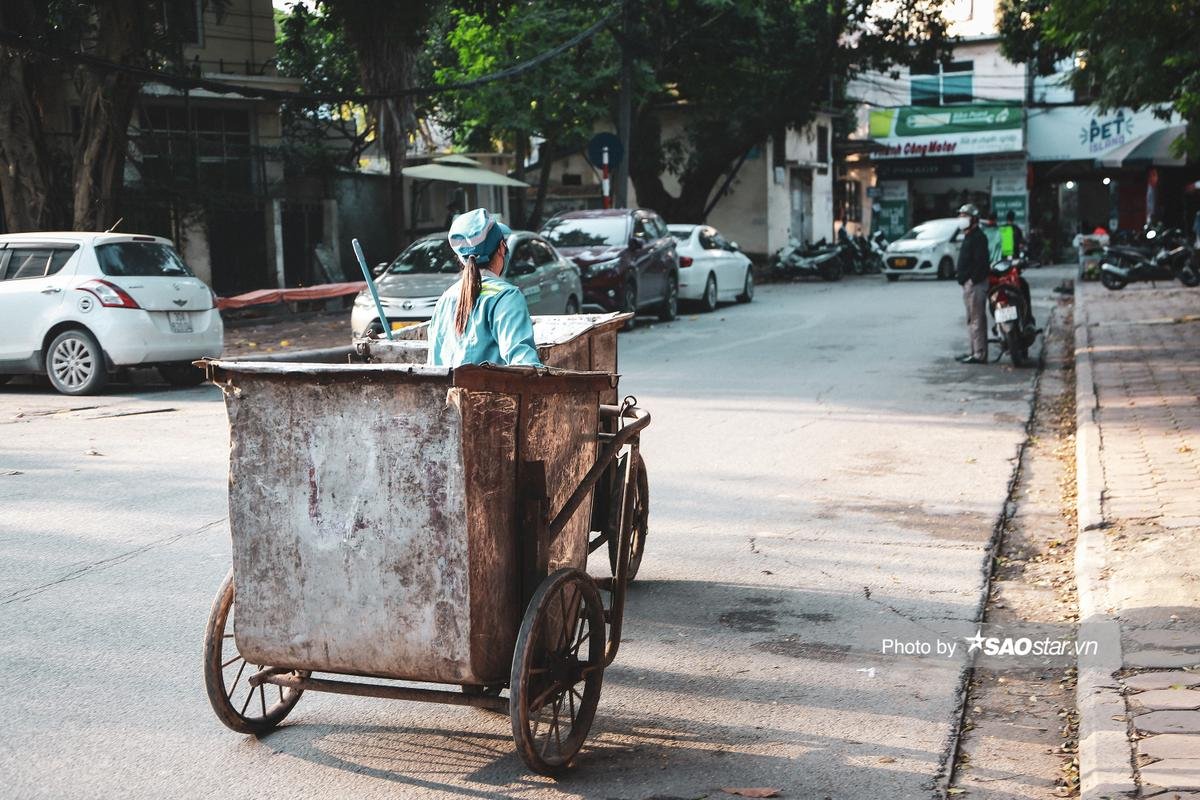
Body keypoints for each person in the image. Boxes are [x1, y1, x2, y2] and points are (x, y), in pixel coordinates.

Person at [426, 208, 543, 368]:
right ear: (502, 248)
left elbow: (434, 365)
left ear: (461, 259)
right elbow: (525, 366)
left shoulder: (446, 299)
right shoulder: (506, 296)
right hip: (494, 393)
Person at [955, 203, 990, 364]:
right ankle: (974, 351)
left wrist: (971, 280)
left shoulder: (978, 237)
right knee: (971, 319)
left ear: (974, 219)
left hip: (975, 285)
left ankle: (979, 353)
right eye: (961, 216)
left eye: (965, 216)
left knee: (977, 320)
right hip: (968, 285)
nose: (961, 219)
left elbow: (980, 262)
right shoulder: (969, 236)